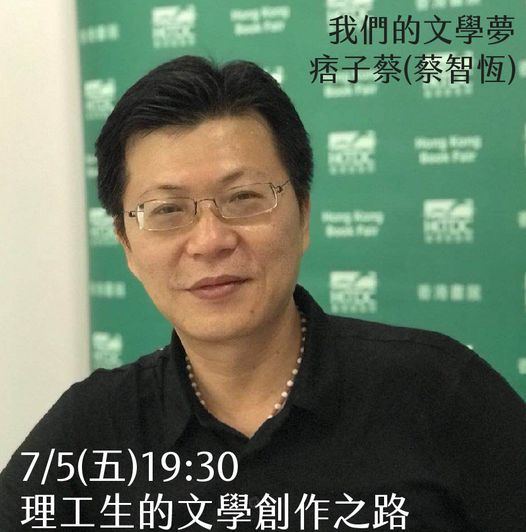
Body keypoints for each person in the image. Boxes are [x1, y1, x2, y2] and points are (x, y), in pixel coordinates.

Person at [1, 56, 525, 531]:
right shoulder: (93, 428)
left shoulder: (437, 391)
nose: (210, 240)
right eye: (167, 210)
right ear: (127, 246)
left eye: (243, 197)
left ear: (304, 215)